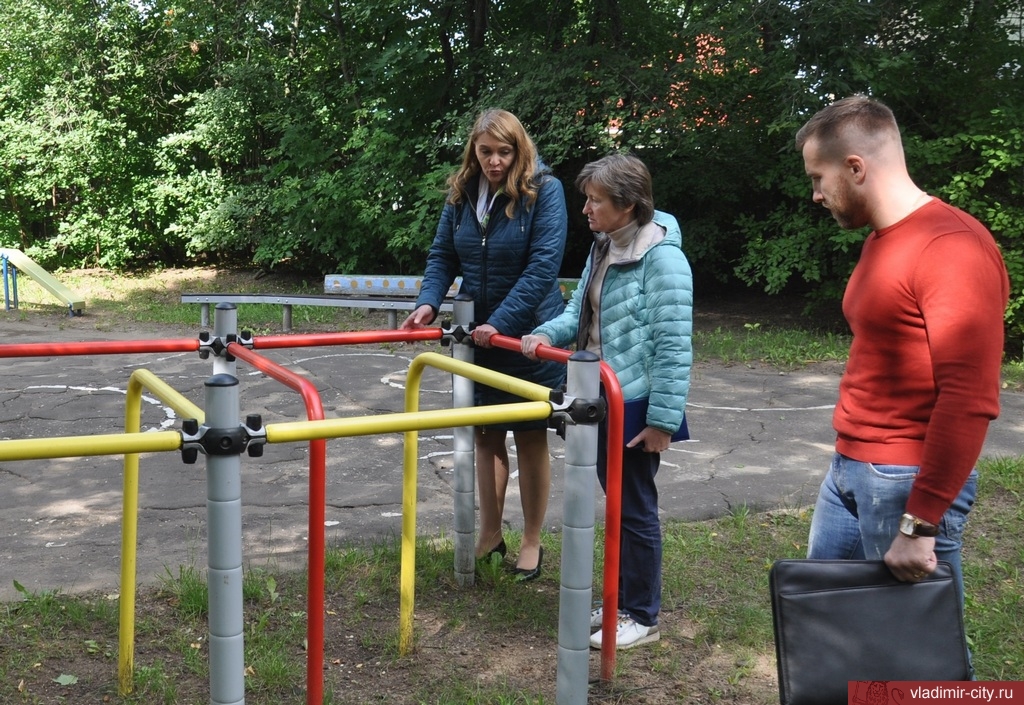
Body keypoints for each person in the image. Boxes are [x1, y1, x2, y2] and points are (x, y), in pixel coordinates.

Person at [796, 95, 1009, 600]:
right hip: (850, 468)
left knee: (920, 659)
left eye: (817, 179)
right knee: (825, 625)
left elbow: (969, 399)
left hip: (903, 483)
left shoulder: (952, 247)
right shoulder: (881, 238)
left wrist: (921, 521)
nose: (816, 196)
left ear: (855, 167)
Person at [522, 153, 693, 649]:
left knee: (634, 507)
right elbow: (580, 312)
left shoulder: (663, 259)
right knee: (615, 504)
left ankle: (642, 614)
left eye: (596, 201)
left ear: (628, 204)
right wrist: (541, 332)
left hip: (635, 401)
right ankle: (621, 600)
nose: (587, 210)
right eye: (587, 199)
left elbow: (674, 344)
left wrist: (662, 421)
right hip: (597, 392)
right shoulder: (603, 246)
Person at [401, 109, 567, 580]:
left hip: (528, 336)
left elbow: (542, 267)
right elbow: (442, 255)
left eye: (504, 152)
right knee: (486, 432)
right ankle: (491, 534)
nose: (495, 162)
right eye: (486, 151)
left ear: (520, 150)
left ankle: (532, 540)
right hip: (479, 335)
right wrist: (430, 301)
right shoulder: (461, 194)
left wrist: (501, 326)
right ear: (473, 150)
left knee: (530, 433)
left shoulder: (543, 192)